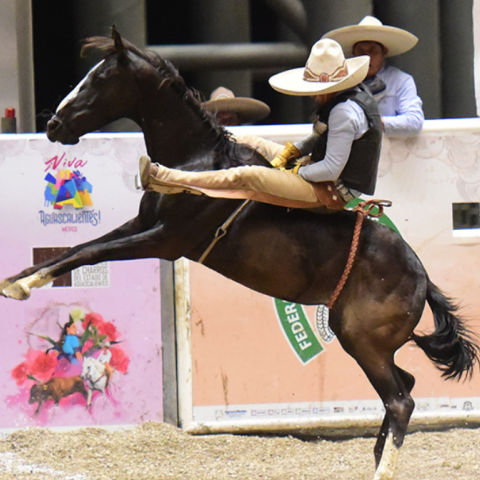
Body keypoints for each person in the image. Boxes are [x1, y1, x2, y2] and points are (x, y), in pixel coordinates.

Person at [137, 38, 382, 211]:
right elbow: (322, 138)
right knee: (250, 141)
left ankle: (167, 177)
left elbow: (331, 170)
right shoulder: (345, 100)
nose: (312, 95)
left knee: (248, 175)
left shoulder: (344, 112)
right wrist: (293, 150)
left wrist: (294, 172)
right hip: (318, 172)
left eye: (316, 90)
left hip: (330, 190)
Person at [323, 15, 424, 135]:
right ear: (354, 53)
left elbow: (415, 121)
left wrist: (374, 123)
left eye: (373, 51)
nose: (367, 58)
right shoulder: (342, 82)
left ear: (383, 52)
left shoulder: (401, 80)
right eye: (361, 52)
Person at [202, 86, 271, 126]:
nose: (226, 124)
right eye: (219, 120)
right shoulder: (203, 145)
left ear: (237, 120)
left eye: (230, 119)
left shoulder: (250, 143)